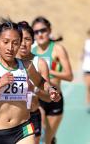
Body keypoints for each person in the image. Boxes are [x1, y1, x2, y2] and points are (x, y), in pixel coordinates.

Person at [0, 18, 60, 144]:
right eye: (6, 42)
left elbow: (40, 82)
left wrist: (51, 89)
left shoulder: (27, 65)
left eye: (15, 43)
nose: (10, 47)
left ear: (19, 44)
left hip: (23, 131)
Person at [17, 21, 61, 144]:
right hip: (11, 120)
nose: (23, 43)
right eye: (19, 39)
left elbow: (47, 98)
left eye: (27, 39)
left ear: (33, 41)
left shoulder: (39, 63)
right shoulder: (7, 63)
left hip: (31, 117)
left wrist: (34, 89)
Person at [31, 16, 73, 144]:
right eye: (36, 32)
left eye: (43, 30)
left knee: (47, 140)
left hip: (55, 99)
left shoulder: (57, 49)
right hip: (38, 99)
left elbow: (69, 76)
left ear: (49, 30)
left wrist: (49, 71)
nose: (40, 34)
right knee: (37, 137)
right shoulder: (32, 51)